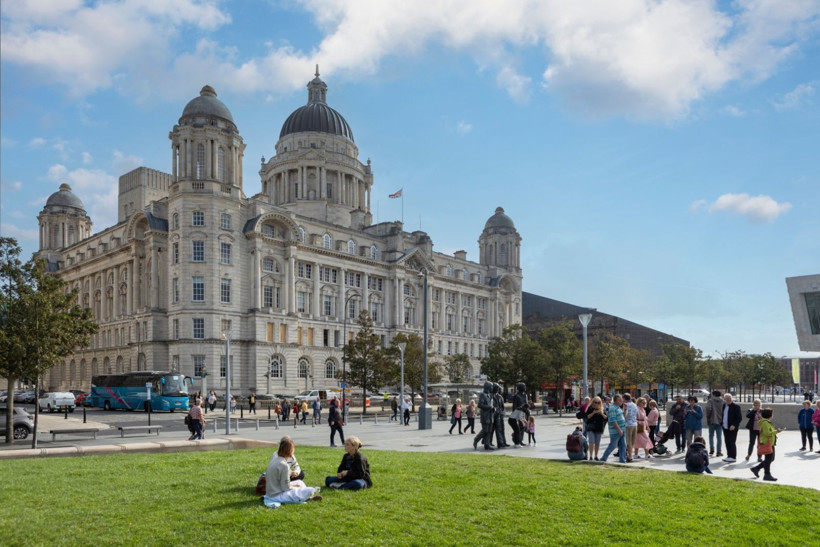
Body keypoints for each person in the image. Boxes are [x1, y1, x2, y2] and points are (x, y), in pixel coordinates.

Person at [265, 437, 322, 504]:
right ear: (290, 451)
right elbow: (286, 488)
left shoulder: (276, 459)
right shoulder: (284, 465)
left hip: (272, 492)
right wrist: (296, 487)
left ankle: (306, 497)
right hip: (276, 495)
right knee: (309, 490)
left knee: (299, 482)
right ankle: (306, 497)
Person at [750, 408, 783, 481]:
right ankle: (766, 474)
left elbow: (768, 432)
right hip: (767, 443)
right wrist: (777, 431)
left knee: (770, 459)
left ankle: (756, 468)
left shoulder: (766, 422)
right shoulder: (765, 423)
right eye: (772, 414)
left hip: (770, 442)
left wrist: (776, 431)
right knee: (769, 459)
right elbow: (767, 433)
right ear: (770, 415)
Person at [600, 394, 626, 463]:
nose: (622, 401)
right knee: (613, 445)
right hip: (616, 431)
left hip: (622, 430)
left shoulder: (618, 408)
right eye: (620, 400)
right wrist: (619, 430)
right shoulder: (612, 408)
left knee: (623, 446)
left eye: (622, 400)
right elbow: (613, 421)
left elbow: (623, 417)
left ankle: (622, 460)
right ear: (615, 401)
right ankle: (603, 458)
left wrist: (625, 409)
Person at [473, 381, 496, 451]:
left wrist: (493, 408)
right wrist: (489, 407)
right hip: (485, 416)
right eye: (491, 386)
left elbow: (491, 405)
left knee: (489, 431)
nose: (492, 388)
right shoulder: (482, 394)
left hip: (490, 415)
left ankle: (487, 445)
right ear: (488, 387)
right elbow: (480, 405)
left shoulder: (489, 395)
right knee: (485, 430)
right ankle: (476, 439)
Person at [721, 393, 742, 462]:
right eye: (726, 398)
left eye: (729, 398)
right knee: (727, 442)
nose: (728, 400)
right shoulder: (724, 406)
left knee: (732, 442)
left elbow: (739, 418)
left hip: (732, 428)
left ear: (731, 399)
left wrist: (734, 425)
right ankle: (729, 456)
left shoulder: (736, 407)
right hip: (725, 427)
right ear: (724, 399)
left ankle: (733, 457)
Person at [585, 396, 607, 460]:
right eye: (595, 402)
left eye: (598, 402)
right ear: (593, 402)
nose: (597, 404)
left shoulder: (602, 409)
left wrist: (601, 413)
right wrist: (593, 413)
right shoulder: (590, 408)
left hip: (599, 428)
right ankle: (591, 456)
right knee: (591, 442)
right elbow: (587, 417)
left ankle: (596, 456)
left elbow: (606, 418)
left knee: (597, 443)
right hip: (591, 428)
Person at [509, 382, 529, 447]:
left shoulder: (525, 395)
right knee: (518, 428)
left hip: (523, 413)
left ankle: (520, 440)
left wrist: (527, 412)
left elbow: (526, 404)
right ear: (520, 388)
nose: (525, 388)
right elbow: (514, 406)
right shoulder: (516, 395)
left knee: (522, 427)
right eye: (524, 387)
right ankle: (516, 439)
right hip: (517, 413)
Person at [705, 390, 724, 457]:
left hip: (712, 420)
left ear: (713, 395)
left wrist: (708, 417)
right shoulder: (722, 401)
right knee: (719, 437)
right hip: (720, 421)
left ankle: (711, 448)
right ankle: (718, 451)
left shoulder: (710, 400)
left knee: (711, 435)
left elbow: (708, 408)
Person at [492, 383, 509, 448]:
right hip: (495, 415)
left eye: (498, 388)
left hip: (500, 415)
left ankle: (504, 442)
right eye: (496, 387)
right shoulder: (491, 396)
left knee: (502, 429)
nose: (497, 389)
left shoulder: (500, 397)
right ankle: (500, 443)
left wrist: (502, 413)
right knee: (497, 429)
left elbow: (502, 407)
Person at [622, 394, 638, 462]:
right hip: (634, 424)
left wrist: (624, 411)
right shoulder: (634, 404)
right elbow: (637, 414)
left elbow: (625, 416)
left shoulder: (626, 405)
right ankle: (630, 455)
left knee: (629, 442)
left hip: (628, 425)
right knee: (632, 441)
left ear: (624, 398)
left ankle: (630, 456)